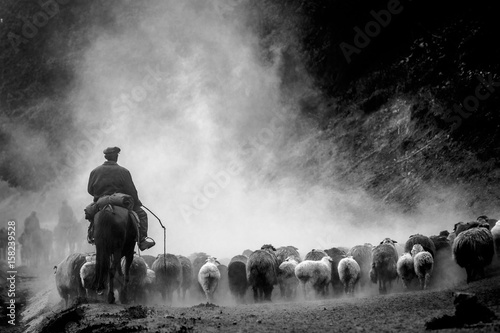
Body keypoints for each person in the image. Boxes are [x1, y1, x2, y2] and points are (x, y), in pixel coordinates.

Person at [87, 147, 155, 251]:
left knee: (92, 215)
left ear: (105, 157)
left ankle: (92, 235)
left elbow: (90, 190)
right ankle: (142, 240)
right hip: (120, 201)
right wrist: (136, 203)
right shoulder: (124, 171)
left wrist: (101, 195)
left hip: (101, 202)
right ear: (116, 157)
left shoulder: (94, 171)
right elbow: (131, 191)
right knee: (142, 214)